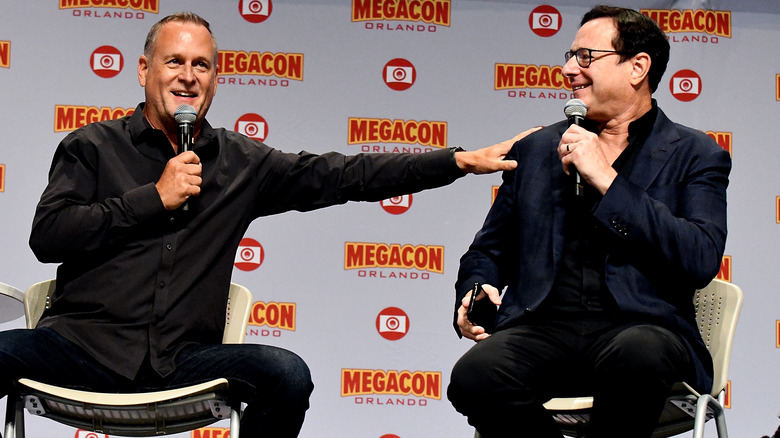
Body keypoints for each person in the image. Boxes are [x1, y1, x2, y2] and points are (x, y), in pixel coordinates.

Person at [0, 12, 535, 438]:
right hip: (82, 348)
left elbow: (345, 174)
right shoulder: (91, 147)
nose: (188, 76)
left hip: (184, 361)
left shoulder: (240, 163)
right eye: (174, 62)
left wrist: (457, 161)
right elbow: (49, 236)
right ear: (144, 71)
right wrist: (153, 199)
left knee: (285, 373)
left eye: (202, 66)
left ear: (215, 78)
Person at [447, 5, 730, 438]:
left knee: (638, 354)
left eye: (585, 57)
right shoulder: (538, 148)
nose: (566, 70)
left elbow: (699, 257)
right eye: (568, 56)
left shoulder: (695, 154)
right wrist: (475, 287)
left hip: (641, 328)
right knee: (475, 376)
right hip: (544, 328)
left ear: (637, 67)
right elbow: (489, 249)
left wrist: (608, 180)